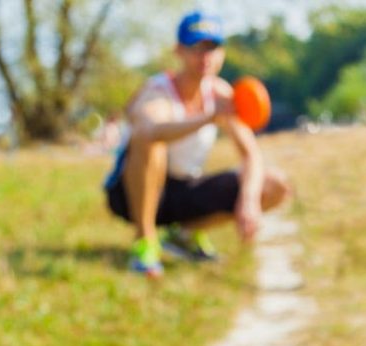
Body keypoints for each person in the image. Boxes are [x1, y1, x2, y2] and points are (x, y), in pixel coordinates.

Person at [103, 10, 292, 277]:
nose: (205, 57)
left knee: (273, 185)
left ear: (222, 54)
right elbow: (150, 129)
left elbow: (251, 155)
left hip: (184, 189)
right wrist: (207, 118)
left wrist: (249, 200)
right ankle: (145, 242)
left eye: (212, 48)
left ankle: (182, 235)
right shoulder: (157, 90)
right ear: (178, 51)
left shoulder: (221, 93)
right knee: (150, 141)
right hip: (132, 193)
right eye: (196, 48)